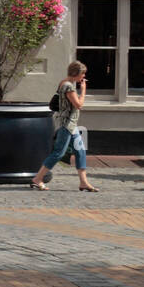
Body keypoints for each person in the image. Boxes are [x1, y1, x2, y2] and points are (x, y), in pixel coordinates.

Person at [30, 61, 99, 191]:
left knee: (80, 151)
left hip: (72, 125)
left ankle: (83, 182)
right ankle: (37, 179)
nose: (83, 77)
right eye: (83, 73)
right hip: (66, 125)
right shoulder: (68, 87)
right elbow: (79, 104)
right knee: (58, 153)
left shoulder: (63, 83)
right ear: (76, 73)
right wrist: (83, 91)